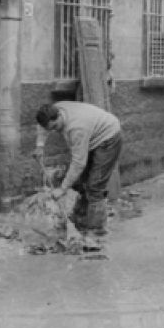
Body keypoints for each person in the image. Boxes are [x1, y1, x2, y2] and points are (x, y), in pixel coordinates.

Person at [34, 101, 123, 235]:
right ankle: (81, 220)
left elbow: (78, 163)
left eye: (55, 126)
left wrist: (62, 189)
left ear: (58, 116)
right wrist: (40, 146)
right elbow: (41, 127)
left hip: (108, 137)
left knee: (95, 186)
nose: (54, 131)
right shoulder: (53, 110)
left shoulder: (76, 128)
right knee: (82, 181)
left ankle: (96, 231)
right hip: (93, 133)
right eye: (50, 128)